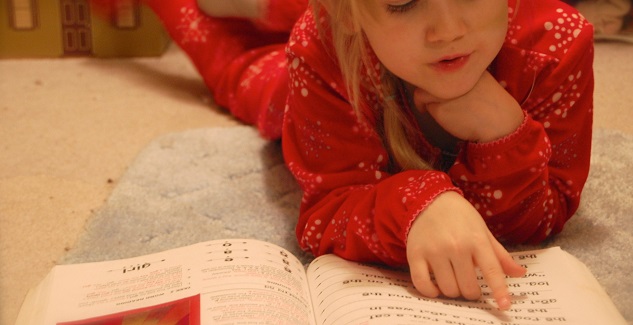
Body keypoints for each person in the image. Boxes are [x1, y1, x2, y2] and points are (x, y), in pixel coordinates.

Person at [92, 0, 594, 310]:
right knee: (242, 75)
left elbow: (545, 215)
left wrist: (501, 132)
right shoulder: (318, 50)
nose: (448, 30)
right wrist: (419, 202)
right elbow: (325, 211)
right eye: (402, 0)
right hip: (316, 69)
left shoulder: (559, 43)